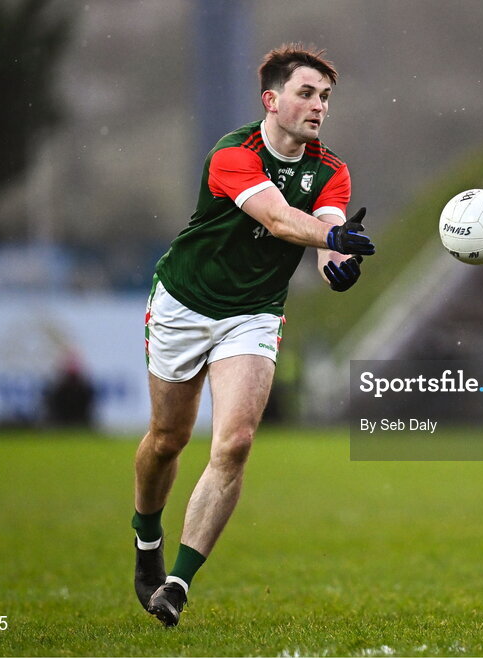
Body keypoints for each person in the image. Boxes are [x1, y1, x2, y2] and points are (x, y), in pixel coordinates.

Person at [132, 43, 374, 627]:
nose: (318, 106)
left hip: (255, 314)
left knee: (235, 441)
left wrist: (336, 265)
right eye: (306, 93)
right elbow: (275, 218)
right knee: (168, 440)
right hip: (184, 304)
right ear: (272, 99)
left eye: (325, 98)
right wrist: (328, 240)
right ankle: (146, 541)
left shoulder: (330, 170)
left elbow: (327, 229)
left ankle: (176, 584)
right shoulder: (232, 154)